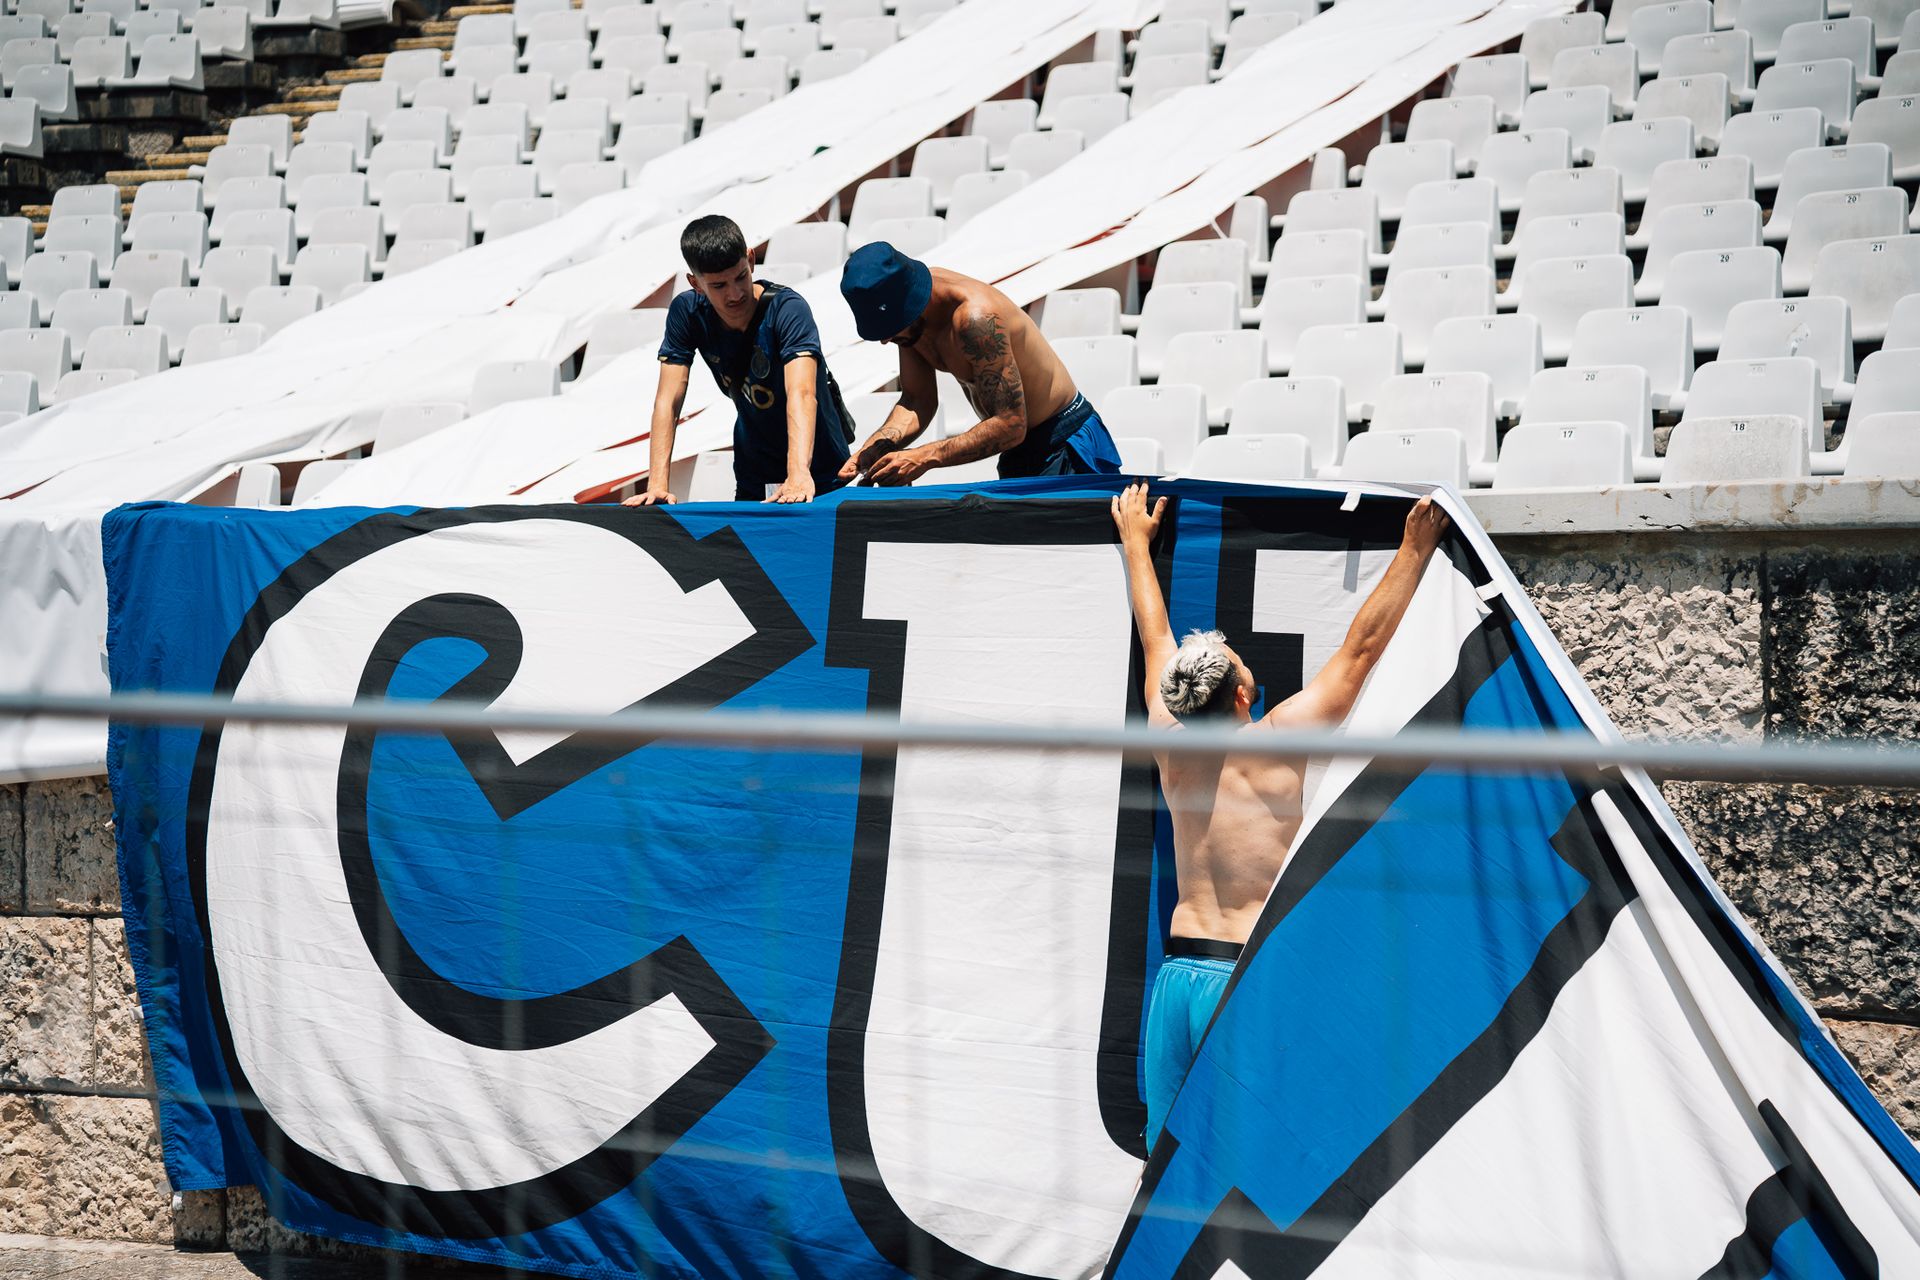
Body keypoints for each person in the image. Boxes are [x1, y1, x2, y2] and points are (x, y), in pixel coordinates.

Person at [1110, 482, 1451, 1147]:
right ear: (1242, 693)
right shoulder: (1272, 743)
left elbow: (1155, 636)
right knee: (1248, 1146)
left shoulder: (1167, 738)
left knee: (1164, 1151)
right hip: (1239, 976)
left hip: (1177, 975)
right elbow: (1360, 651)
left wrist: (1134, 542)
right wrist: (1415, 547)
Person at [836, 241, 1123, 485]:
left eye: (890, 331)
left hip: (1064, 441)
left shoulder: (976, 318)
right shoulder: (910, 324)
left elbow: (1010, 424)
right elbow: (917, 400)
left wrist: (922, 457)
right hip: (1018, 450)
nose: (887, 341)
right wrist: (876, 448)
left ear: (910, 306)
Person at [626, 215, 854, 505]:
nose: (735, 294)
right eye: (719, 286)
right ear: (695, 283)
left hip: (820, 471)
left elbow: (802, 393)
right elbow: (668, 400)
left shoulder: (788, 309)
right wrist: (657, 483)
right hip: (753, 473)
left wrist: (797, 473)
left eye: (740, 277)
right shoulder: (687, 312)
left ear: (751, 260)